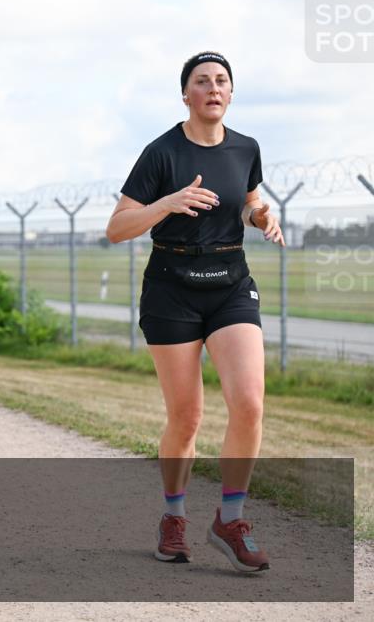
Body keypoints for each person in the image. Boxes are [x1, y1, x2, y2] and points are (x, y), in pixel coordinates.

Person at [106, 51, 284, 573]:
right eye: (201, 81)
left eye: (221, 81)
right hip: (172, 288)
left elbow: (247, 199)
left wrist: (259, 214)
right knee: (186, 417)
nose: (212, 87)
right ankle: (173, 518)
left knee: (249, 402)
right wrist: (167, 203)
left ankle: (231, 519)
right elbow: (117, 228)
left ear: (230, 93)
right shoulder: (161, 153)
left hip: (230, 283)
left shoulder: (246, 147)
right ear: (185, 94)